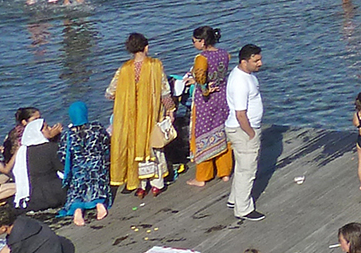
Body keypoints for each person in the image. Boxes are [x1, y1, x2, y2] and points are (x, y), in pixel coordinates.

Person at [107, 33, 173, 198]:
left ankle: (141, 186)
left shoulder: (124, 69)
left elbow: (109, 93)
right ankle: (157, 185)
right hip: (151, 114)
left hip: (131, 117)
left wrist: (126, 94)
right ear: (146, 47)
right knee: (154, 147)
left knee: (135, 148)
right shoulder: (155, 65)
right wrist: (170, 110)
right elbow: (164, 91)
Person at [184, 27, 235, 187]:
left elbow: (200, 78)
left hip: (207, 100)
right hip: (222, 95)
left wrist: (205, 90)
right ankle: (224, 171)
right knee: (222, 130)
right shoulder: (224, 54)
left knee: (202, 133)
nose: (193, 44)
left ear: (202, 41)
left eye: (194, 41)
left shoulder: (201, 58)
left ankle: (203, 176)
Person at [226, 44, 265, 221]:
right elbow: (240, 114)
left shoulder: (245, 75)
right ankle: (243, 209)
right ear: (244, 61)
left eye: (259, 59)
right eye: (255, 60)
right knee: (247, 170)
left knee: (242, 166)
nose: (260, 63)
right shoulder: (240, 82)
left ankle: (234, 199)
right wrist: (251, 133)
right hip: (243, 130)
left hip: (242, 129)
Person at [57, 101, 110, 226]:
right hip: (97, 167)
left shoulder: (67, 135)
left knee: (77, 189)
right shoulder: (97, 128)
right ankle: (99, 204)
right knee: (97, 185)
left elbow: (62, 156)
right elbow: (106, 145)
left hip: (78, 170)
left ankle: (77, 210)